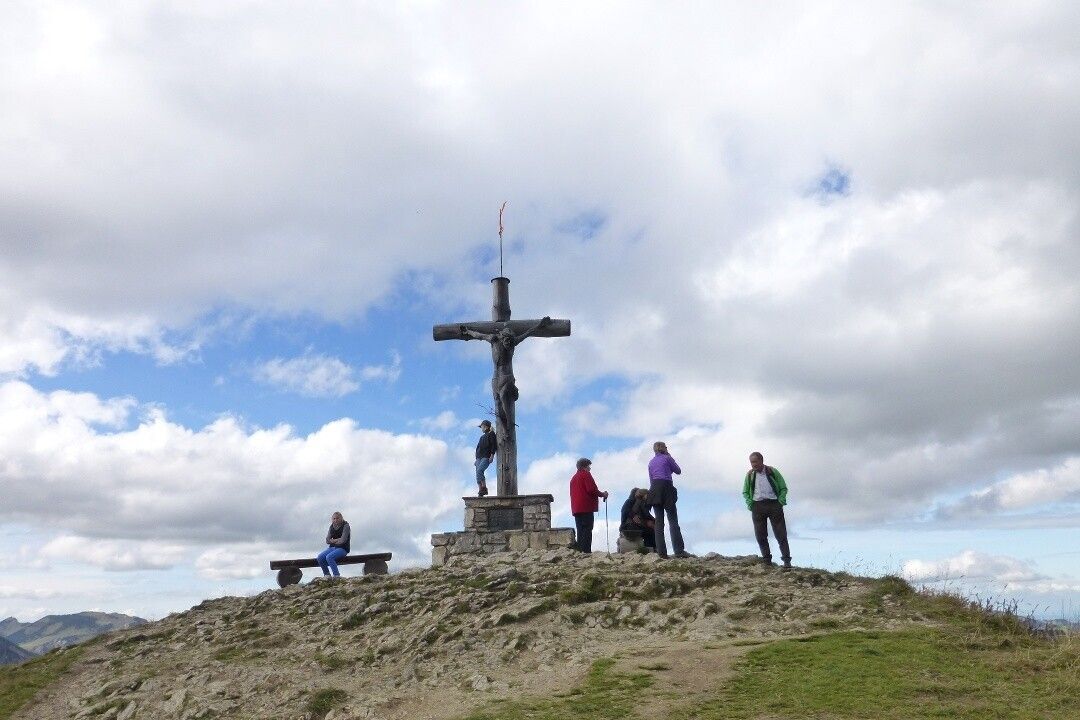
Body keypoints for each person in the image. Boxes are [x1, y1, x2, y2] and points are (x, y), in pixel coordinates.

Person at [741, 452, 791, 570]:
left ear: (761, 461)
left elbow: (783, 487)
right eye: (751, 462)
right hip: (757, 506)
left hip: (774, 504)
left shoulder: (772, 471)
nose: (753, 464)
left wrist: (780, 501)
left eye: (755, 462)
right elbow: (745, 491)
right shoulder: (750, 475)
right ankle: (767, 560)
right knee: (760, 535)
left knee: (781, 534)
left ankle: (787, 561)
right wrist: (750, 504)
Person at [646, 441, 689, 558]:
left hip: (654, 489)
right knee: (673, 520)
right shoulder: (667, 458)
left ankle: (662, 553)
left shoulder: (651, 462)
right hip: (666, 487)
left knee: (659, 523)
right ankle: (679, 551)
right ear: (663, 448)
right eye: (666, 447)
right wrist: (670, 457)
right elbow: (678, 471)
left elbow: (651, 480)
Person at [569, 458, 608, 553]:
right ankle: (586, 551)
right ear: (584, 466)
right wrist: (603, 494)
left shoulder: (573, 478)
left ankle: (580, 551)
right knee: (587, 528)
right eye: (588, 466)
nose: (589, 468)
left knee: (580, 530)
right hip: (586, 506)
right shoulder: (586, 474)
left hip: (576, 508)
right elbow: (591, 489)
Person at [316, 511, 351, 578]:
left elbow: (343, 541)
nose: (335, 520)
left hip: (343, 548)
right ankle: (327, 575)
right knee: (320, 557)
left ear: (341, 518)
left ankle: (336, 576)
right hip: (332, 548)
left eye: (337, 518)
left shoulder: (346, 526)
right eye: (334, 518)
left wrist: (333, 541)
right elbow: (327, 540)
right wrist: (338, 539)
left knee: (329, 557)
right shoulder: (332, 526)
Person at [474, 420, 497, 496]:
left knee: (480, 471)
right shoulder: (481, 437)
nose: (481, 428)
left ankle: (484, 487)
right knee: (477, 473)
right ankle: (480, 490)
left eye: (482, 427)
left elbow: (493, 445)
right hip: (479, 458)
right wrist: (476, 459)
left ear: (486, 427)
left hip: (486, 456)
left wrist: (492, 456)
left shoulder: (491, 434)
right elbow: (478, 448)